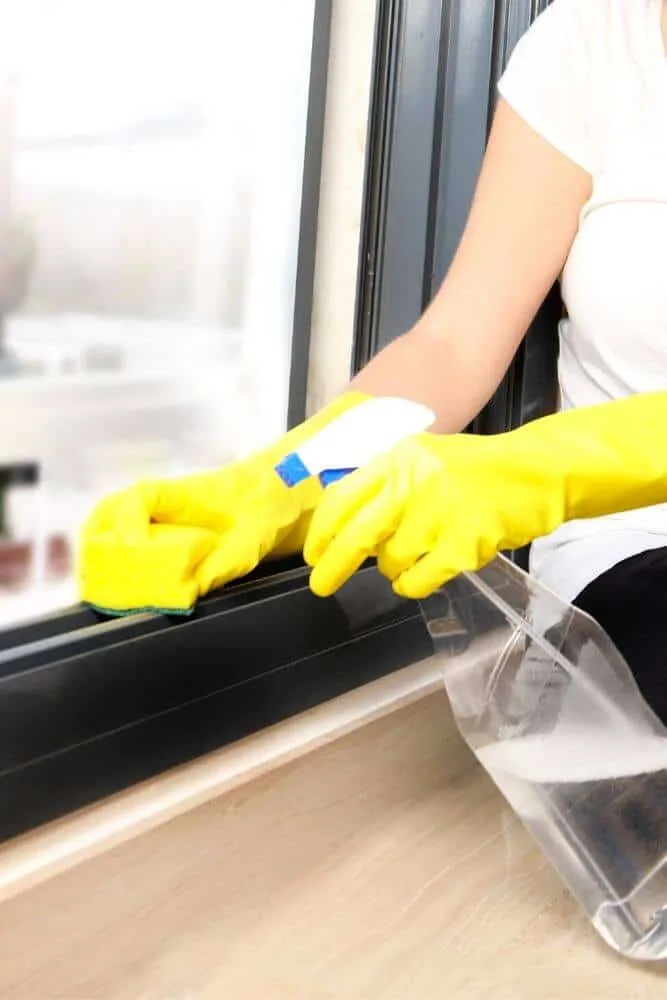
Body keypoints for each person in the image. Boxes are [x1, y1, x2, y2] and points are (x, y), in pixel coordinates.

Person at [81, 0, 667, 721]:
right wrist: (282, 482)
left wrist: (542, 470)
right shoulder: (594, 42)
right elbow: (453, 344)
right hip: (633, 556)